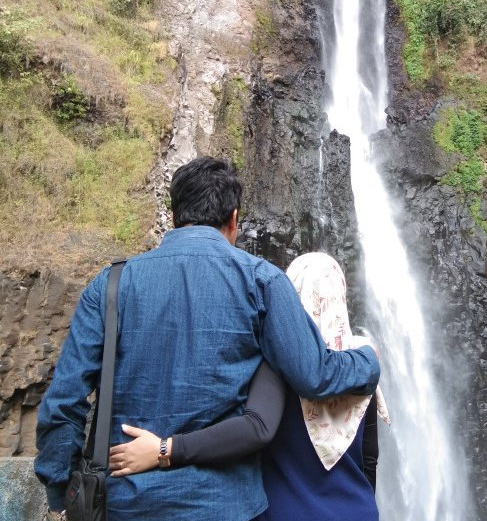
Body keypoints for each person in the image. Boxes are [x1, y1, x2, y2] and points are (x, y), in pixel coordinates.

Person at [34, 158, 380, 521]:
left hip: (126, 503)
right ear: (233, 219)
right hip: (226, 507)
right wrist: (368, 361)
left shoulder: (109, 286)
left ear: (174, 216)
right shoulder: (262, 281)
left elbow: (65, 402)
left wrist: (61, 494)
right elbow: (314, 373)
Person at [106, 252, 390, 521]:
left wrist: (165, 449)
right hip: (357, 510)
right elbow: (369, 462)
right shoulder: (362, 367)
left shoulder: (274, 365)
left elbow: (253, 429)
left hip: (285, 511)